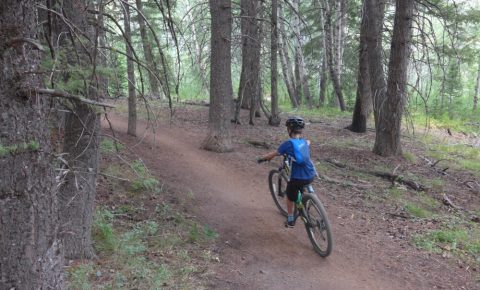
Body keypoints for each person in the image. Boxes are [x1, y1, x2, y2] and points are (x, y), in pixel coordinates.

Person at [258, 116, 316, 227]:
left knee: (290, 196)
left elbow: (274, 153)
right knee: (303, 185)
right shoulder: (305, 141)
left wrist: (264, 158)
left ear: (289, 130)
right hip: (311, 173)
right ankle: (308, 201)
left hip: (298, 178)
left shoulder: (287, 144)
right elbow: (309, 142)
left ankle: (290, 219)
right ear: (301, 130)